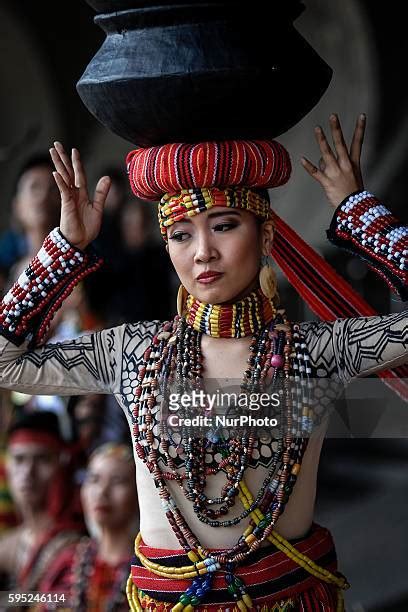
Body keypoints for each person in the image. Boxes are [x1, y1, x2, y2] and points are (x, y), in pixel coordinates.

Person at [0, 116, 405, 611]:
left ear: (268, 237)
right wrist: (65, 246)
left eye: (225, 226)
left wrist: (361, 214)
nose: (203, 253)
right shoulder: (134, 353)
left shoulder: (315, 353)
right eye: (180, 235)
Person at [39, 442, 138, 611]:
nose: (102, 491)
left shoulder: (148, 571)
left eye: (117, 481)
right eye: (94, 479)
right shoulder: (68, 560)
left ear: (138, 493)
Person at [0, 411, 82, 593]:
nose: (28, 473)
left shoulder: (79, 543)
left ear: (63, 465)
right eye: (19, 459)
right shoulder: (6, 545)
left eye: (42, 459)